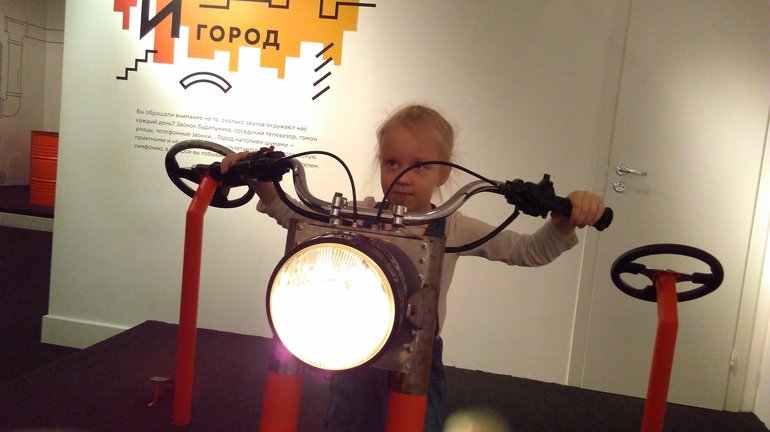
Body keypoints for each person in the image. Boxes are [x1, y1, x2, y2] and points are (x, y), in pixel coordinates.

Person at [221, 104, 605, 432]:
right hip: (354, 346)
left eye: (420, 167)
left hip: (416, 355)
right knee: (346, 423)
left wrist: (563, 222)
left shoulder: (451, 225)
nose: (403, 177)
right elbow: (295, 217)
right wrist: (260, 181)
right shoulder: (359, 214)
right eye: (392, 163)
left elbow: (527, 251)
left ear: (443, 175)